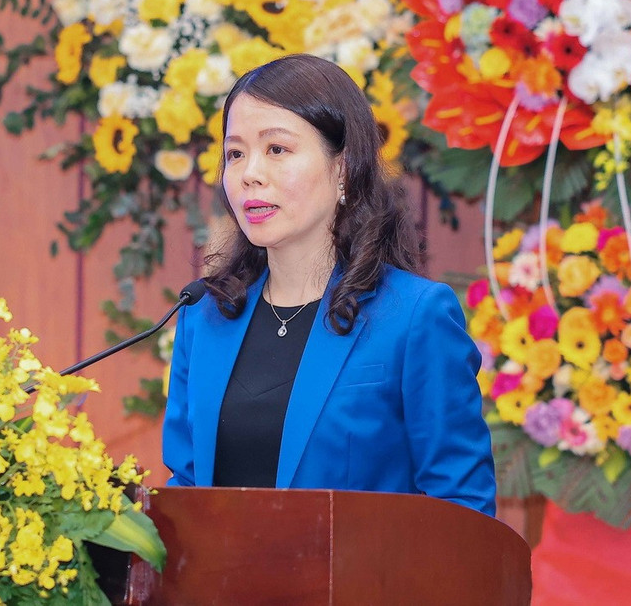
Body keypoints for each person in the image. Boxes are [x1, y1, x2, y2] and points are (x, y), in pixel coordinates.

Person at [162, 54, 496, 516]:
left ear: (344, 169)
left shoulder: (414, 316)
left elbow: (463, 508)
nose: (249, 173)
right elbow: (183, 489)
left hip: (364, 567)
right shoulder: (205, 315)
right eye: (235, 153)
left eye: (276, 149)